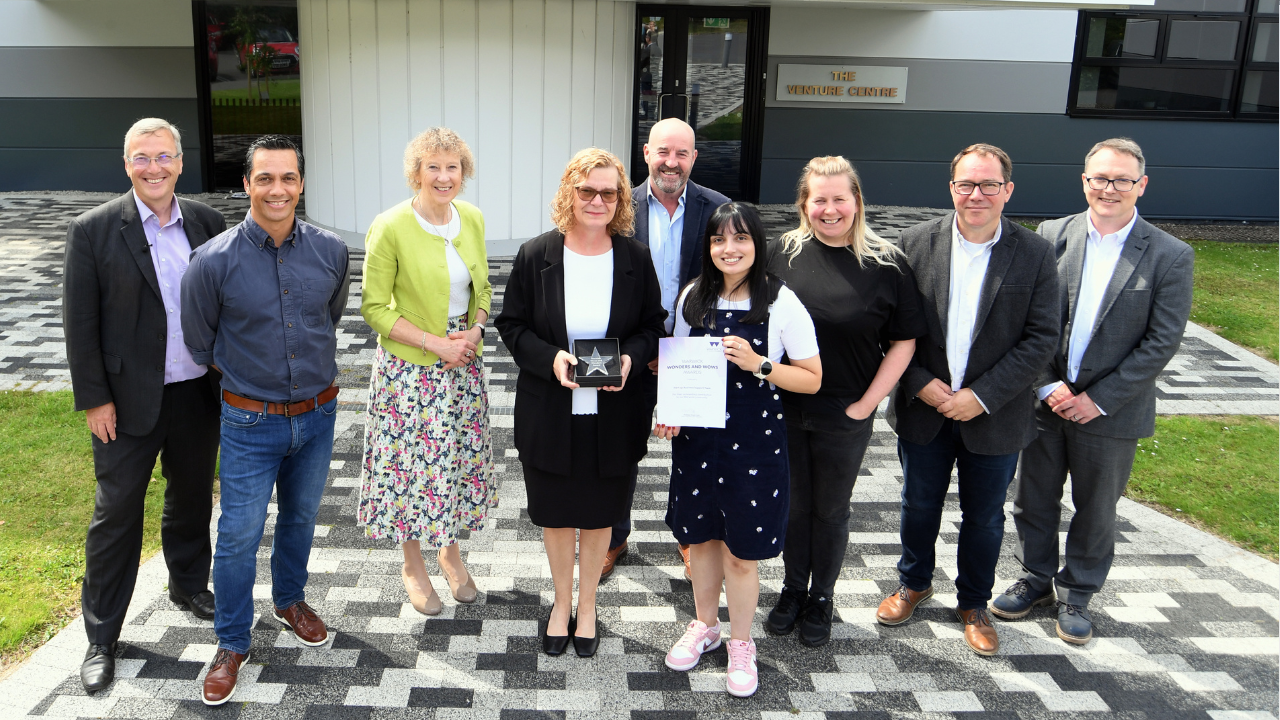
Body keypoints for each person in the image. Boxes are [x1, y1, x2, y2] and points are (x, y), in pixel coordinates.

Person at [995, 138, 1193, 644]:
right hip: (1046, 401)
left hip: (1112, 411)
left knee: (1097, 508)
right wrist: (1046, 386)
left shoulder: (1170, 254)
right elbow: (1027, 319)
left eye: (1121, 179)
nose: (1109, 188)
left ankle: (1078, 593)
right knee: (1032, 499)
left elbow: (1162, 341)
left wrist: (1097, 399)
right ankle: (1035, 579)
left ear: (1141, 185)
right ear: (1084, 181)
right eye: (1099, 178)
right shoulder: (1051, 235)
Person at [181, 135, 351, 705]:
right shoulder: (212, 262)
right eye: (264, 178)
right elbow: (201, 344)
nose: (277, 189)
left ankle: (289, 601)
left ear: (301, 183)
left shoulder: (331, 251)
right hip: (249, 424)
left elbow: (328, 318)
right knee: (237, 535)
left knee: (300, 518)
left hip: (318, 416)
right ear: (246, 184)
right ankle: (232, 641)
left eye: (288, 178)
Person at [63, 118, 226, 693]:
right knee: (116, 515)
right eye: (141, 157)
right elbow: (80, 324)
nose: (153, 167)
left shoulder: (207, 222)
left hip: (196, 393)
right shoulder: (93, 230)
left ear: (180, 162)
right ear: (126, 164)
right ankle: (102, 636)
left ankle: (188, 584)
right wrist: (95, 400)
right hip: (125, 402)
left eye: (162, 157)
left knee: (192, 496)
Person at [880, 143, 1059, 657]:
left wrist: (981, 396)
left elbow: (1042, 338)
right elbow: (888, 325)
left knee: (984, 517)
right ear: (951, 187)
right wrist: (918, 383)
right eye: (966, 184)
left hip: (995, 415)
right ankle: (913, 583)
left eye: (988, 185)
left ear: (1008, 190)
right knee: (918, 504)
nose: (976, 194)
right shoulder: (914, 243)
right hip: (926, 408)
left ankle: (974, 603)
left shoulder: (1036, 252)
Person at [495, 148, 664, 659]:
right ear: (569, 192)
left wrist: (631, 359)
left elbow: (652, 325)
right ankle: (561, 601)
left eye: (608, 192)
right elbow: (512, 325)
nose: (597, 200)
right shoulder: (536, 254)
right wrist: (551, 359)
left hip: (613, 412)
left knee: (598, 514)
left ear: (621, 199)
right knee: (557, 513)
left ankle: (587, 605)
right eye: (587, 190)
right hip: (551, 410)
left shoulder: (634, 257)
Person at [656, 202, 822, 698]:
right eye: (718, 240)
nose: (729, 249)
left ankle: (741, 642)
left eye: (740, 238)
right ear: (708, 247)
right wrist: (668, 409)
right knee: (702, 542)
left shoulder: (781, 300)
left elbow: (812, 379)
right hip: (698, 442)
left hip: (753, 444)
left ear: (757, 243)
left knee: (742, 554)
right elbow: (678, 363)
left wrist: (759, 364)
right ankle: (705, 625)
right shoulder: (693, 295)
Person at [764, 156, 926, 647]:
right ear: (803, 204)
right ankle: (793, 589)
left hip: (845, 413)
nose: (830, 209)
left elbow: (904, 342)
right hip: (786, 407)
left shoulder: (887, 263)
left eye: (840, 199)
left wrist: (867, 405)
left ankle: (822, 596)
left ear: (856, 201)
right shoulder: (780, 255)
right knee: (793, 507)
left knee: (831, 510)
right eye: (820, 200)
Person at [358, 127, 493, 616]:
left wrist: (473, 333)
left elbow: (484, 290)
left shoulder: (471, 218)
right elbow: (373, 307)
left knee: (452, 461)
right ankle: (412, 561)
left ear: (463, 172)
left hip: (462, 363)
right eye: (432, 166)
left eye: (452, 167)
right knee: (410, 468)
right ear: (416, 172)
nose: (443, 176)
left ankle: (450, 552)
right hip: (410, 368)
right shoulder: (390, 225)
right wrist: (435, 344)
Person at [607, 117, 729, 582]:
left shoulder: (718, 209)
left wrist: (679, 347)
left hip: (694, 354)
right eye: (663, 152)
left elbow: (730, 282)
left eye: (681, 153)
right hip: (630, 351)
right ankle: (614, 537)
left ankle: (689, 537)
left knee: (694, 454)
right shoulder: (617, 207)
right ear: (646, 154)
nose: (671, 162)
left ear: (694, 157)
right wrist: (645, 348)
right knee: (620, 448)